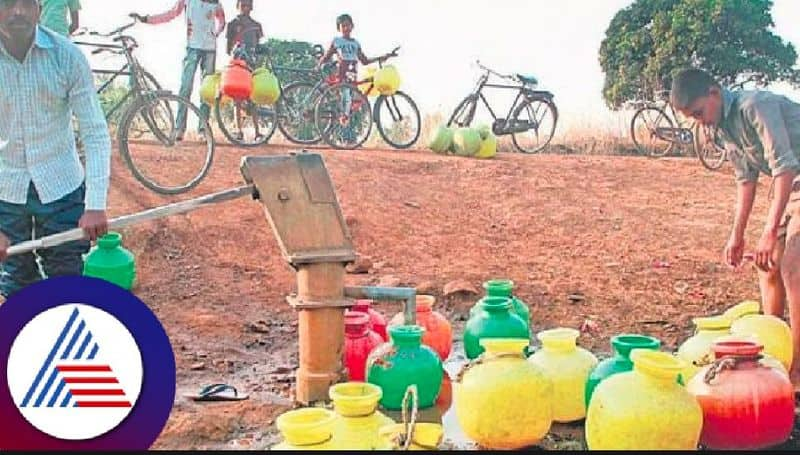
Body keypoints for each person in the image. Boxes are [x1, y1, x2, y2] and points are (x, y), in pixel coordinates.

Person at [671, 68, 800, 387]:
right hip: (790, 183)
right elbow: (746, 179)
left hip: (791, 176)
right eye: (692, 117)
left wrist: (770, 231)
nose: (699, 121)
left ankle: (796, 371)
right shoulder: (718, 129)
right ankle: (772, 359)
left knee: (793, 268)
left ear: (714, 93)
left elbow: (783, 166)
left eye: (699, 112)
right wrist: (737, 235)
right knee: (765, 266)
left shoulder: (755, 106)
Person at [0, 0, 111, 297]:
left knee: (66, 281)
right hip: (5, 192)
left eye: (25, 3)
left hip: (62, 187)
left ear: (39, 8)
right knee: (16, 284)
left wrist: (95, 204)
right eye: (8, 3)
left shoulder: (67, 57)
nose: (17, 11)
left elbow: (95, 131)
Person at [130, 0, 225, 140]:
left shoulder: (214, 2)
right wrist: (147, 19)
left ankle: (203, 129)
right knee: (185, 87)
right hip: (193, 47)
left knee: (206, 90)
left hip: (210, 49)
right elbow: (172, 13)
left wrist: (216, 32)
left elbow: (222, 19)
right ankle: (179, 128)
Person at [317, 13, 394, 84]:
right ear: (338, 29)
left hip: (352, 76)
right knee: (344, 97)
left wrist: (380, 58)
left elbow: (364, 61)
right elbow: (326, 56)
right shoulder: (337, 41)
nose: (346, 28)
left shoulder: (356, 44)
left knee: (355, 97)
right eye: (343, 26)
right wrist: (318, 65)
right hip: (341, 77)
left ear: (352, 26)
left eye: (348, 25)